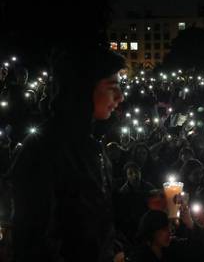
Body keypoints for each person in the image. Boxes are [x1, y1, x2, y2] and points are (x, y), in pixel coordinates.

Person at [9, 47, 126, 262]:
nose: (120, 97)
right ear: (83, 89)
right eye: (112, 88)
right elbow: (34, 241)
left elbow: (97, 212)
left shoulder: (93, 147)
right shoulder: (42, 150)